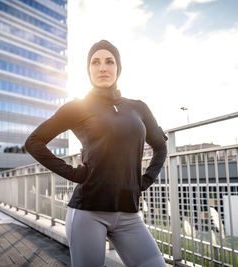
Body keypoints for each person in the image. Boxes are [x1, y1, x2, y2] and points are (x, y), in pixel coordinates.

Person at [25, 40, 167, 267]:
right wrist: (74, 173)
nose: (103, 67)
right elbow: (34, 142)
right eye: (95, 62)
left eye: (109, 61)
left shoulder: (138, 108)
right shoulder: (77, 107)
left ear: (118, 68)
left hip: (129, 213)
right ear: (88, 70)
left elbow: (161, 147)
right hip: (88, 212)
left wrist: (145, 180)